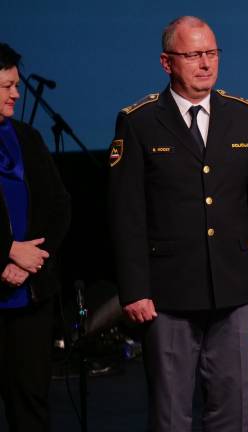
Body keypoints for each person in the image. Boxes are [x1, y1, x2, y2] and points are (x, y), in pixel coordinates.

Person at [108, 16, 248, 431]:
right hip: (168, 293)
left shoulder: (243, 115)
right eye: (193, 55)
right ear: (166, 62)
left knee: (234, 409)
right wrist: (135, 289)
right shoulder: (139, 121)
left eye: (211, 53)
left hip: (235, 287)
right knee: (171, 412)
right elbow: (126, 214)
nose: (206, 63)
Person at [0, 42, 71, 432]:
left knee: (30, 402)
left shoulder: (27, 137)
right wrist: (7, 254)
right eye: (7, 86)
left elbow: (58, 205)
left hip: (31, 292)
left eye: (16, 84)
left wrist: (30, 260)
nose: (16, 93)